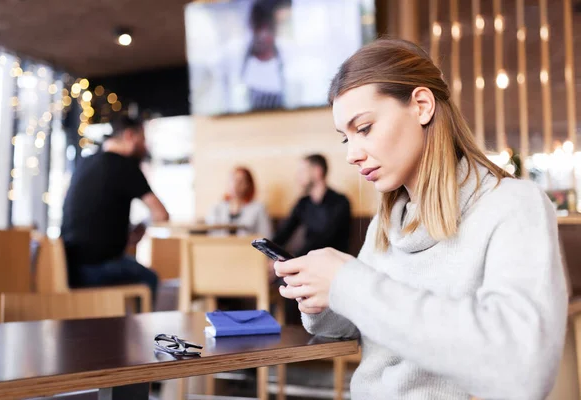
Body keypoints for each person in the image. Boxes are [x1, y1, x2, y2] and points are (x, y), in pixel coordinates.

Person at [274, 38, 567, 399]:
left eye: (363, 128)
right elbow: (359, 322)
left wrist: (348, 282)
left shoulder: (514, 206)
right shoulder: (389, 221)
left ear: (422, 106)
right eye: (344, 138)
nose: (351, 154)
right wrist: (320, 294)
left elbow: (523, 368)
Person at [61, 116, 169, 301]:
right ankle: (137, 329)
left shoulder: (86, 161)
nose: (145, 146)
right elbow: (161, 214)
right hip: (95, 268)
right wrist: (142, 225)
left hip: (67, 266)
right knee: (150, 279)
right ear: (129, 136)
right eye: (142, 139)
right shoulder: (125, 165)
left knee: (130, 264)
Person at [273, 154, 351, 257]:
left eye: (302, 171)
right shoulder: (303, 203)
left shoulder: (340, 202)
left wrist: (296, 258)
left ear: (317, 171)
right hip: (309, 259)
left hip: (334, 261)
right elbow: (285, 231)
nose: (297, 176)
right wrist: (270, 251)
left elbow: (325, 238)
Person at [206, 166, 272, 237]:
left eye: (240, 181)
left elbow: (266, 236)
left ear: (248, 185)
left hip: (247, 247)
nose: (235, 185)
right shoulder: (216, 208)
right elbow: (211, 235)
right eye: (233, 180)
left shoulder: (258, 208)